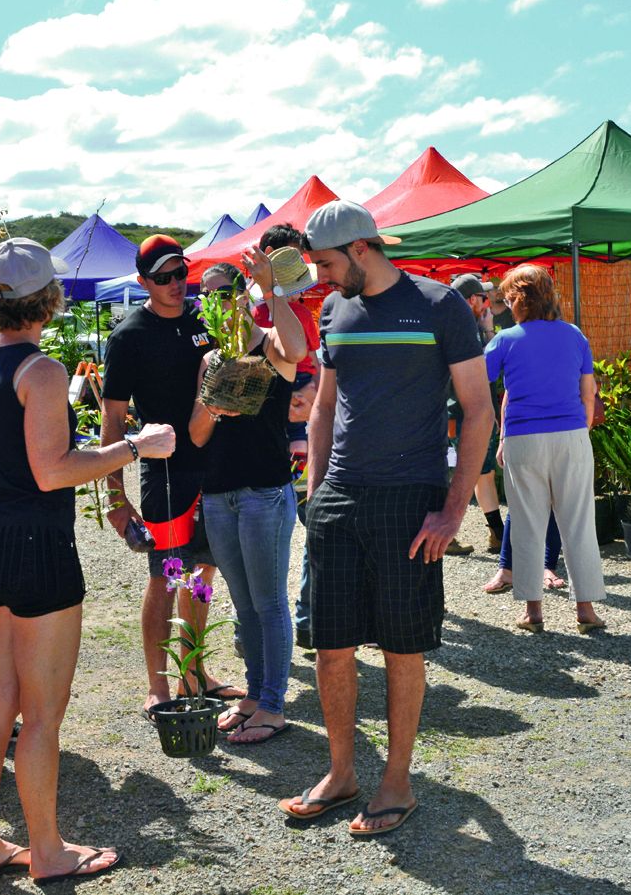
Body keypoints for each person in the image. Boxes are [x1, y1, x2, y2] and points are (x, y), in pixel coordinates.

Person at [279, 201, 492, 836]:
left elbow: (478, 410)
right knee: (330, 643)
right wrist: (315, 493)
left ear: (363, 248)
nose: (318, 275)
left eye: (324, 262)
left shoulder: (439, 305)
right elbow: (323, 407)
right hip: (340, 495)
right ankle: (342, 773)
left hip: (410, 497)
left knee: (402, 646)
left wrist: (454, 510)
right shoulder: (333, 309)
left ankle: (396, 781)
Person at [0, 237, 167, 883]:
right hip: (34, 547)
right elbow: (52, 471)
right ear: (48, 298)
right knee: (42, 712)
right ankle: (47, 851)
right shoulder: (41, 370)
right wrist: (134, 446)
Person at [100, 235, 240, 717]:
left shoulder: (205, 323)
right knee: (166, 577)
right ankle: (158, 685)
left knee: (202, 571)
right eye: (163, 278)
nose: (177, 284)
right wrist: (115, 500)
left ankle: (194, 670)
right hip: (163, 477)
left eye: (181, 273)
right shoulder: (129, 336)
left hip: (212, 470)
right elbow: (112, 421)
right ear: (143, 283)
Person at [189, 256, 307, 745]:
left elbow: (298, 348)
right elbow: (196, 436)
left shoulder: (269, 345)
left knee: (269, 602)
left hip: (263, 491)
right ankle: (255, 696)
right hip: (219, 495)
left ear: (240, 296)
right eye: (207, 295)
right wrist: (214, 408)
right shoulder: (212, 360)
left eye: (223, 292)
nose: (214, 302)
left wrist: (270, 291)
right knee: (243, 604)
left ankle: (274, 705)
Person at [484, 265, 606, 634]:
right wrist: (578, 430)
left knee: (526, 522)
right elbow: (589, 393)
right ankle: (585, 610)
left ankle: (533, 612)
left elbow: (481, 378)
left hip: (524, 438)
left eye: (507, 297)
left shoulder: (505, 340)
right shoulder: (574, 336)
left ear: (517, 299)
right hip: (571, 434)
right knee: (579, 522)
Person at [248, 224, 320, 650]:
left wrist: (310, 395)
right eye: (288, 257)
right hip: (263, 441)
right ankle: (256, 632)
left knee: (315, 528)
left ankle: (307, 621)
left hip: (295, 437)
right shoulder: (246, 309)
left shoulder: (299, 310)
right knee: (265, 541)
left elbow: (312, 365)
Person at [450, 273, 504, 554]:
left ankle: (498, 534)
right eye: (484, 298)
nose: (487, 302)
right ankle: (451, 534)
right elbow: (484, 372)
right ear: (472, 300)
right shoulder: (467, 328)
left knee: (481, 472)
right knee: (470, 472)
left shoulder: (454, 322)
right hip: (465, 412)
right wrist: (488, 331)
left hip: (461, 411)